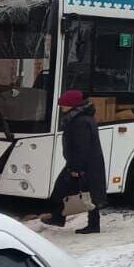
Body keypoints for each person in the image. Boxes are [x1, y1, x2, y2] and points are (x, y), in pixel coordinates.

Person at [42, 90, 107, 234]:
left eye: (64, 105)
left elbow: (81, 146)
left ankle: (88, 224)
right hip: (87, 164)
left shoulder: (79, 121)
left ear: (72, 105)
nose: (61, 107)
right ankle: (61, 218)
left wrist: (76, 168)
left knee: (77, 193)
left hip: (83, 165)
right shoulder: (81, 118)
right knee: (87, 194)